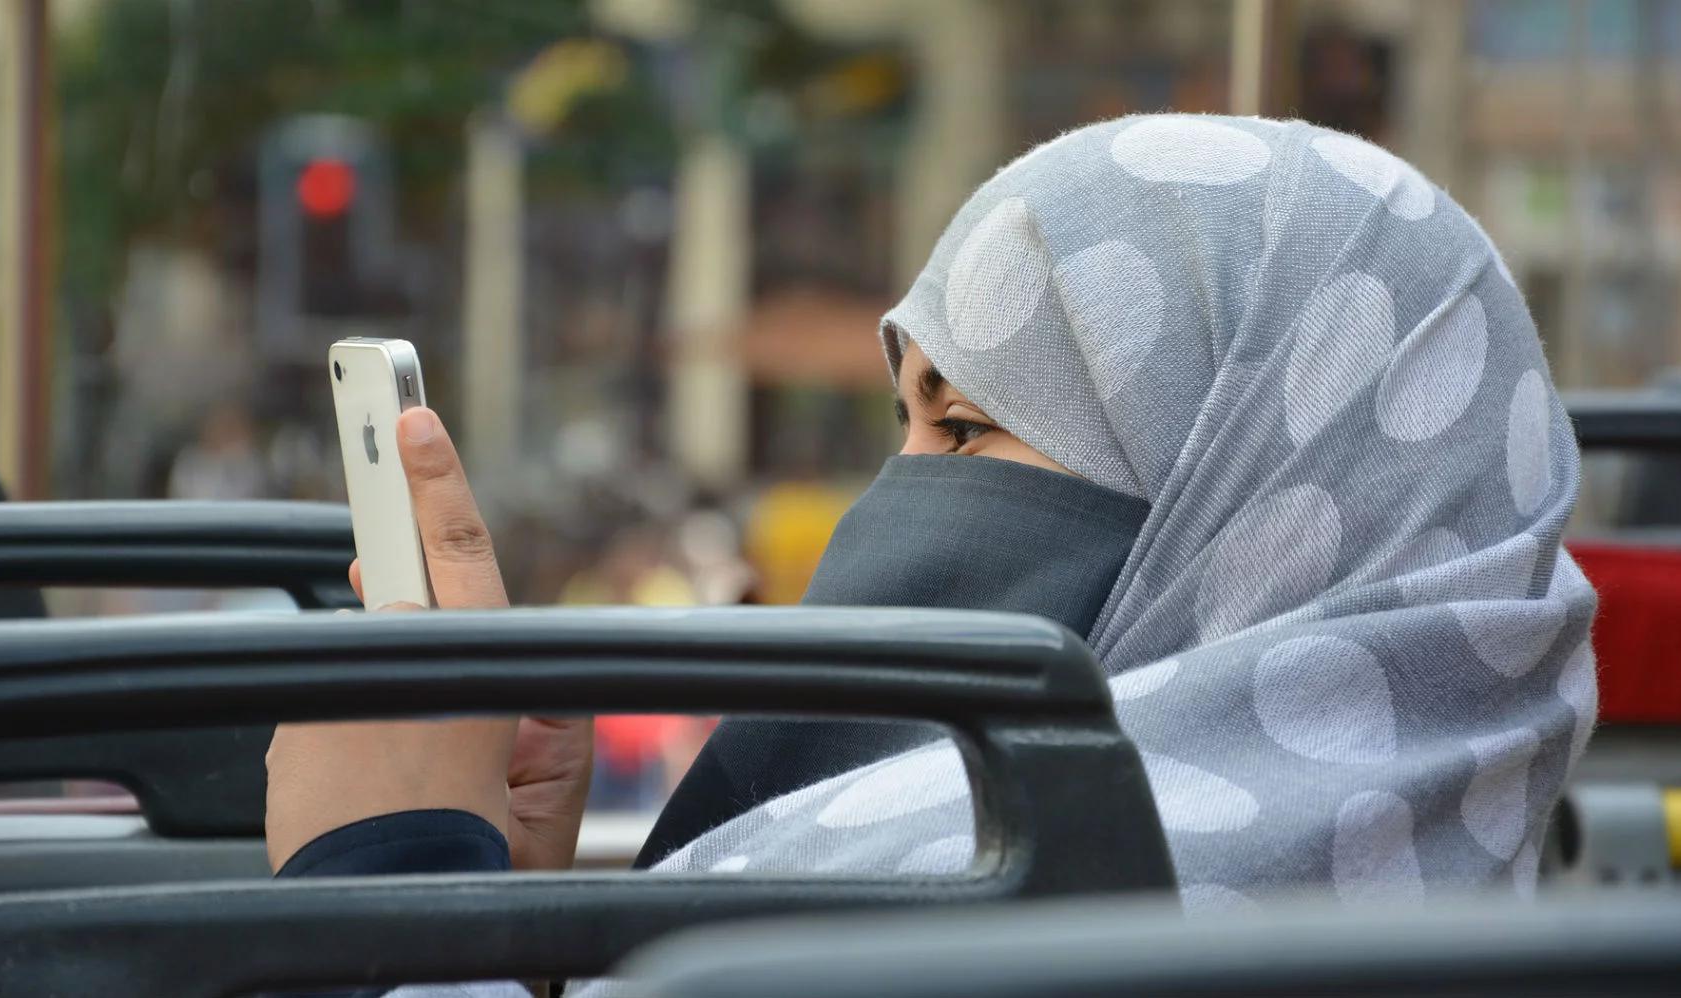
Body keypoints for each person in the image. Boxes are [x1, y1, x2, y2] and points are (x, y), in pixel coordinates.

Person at [265, 115, 1598, 994]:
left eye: (963, 426)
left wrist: (384, 888)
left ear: (1237, 490)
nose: (898, 502)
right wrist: (527, 938)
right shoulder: (1446, 890)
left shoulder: (979, 939)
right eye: (902, 423)